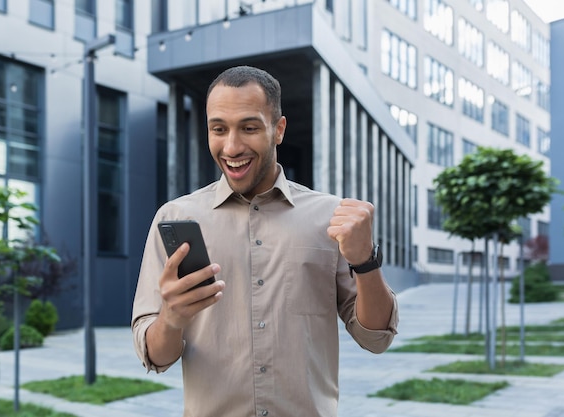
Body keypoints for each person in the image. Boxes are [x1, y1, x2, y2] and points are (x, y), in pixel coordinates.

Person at [132, 65, 398, 417]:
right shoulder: (175, 219)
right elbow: (155, 356)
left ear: (278, 130)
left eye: (249, 127)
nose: (231, 146)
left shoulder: (330, 217)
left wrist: (365, 260)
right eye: (219, 129)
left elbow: (376, 338)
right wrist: (172, 318)